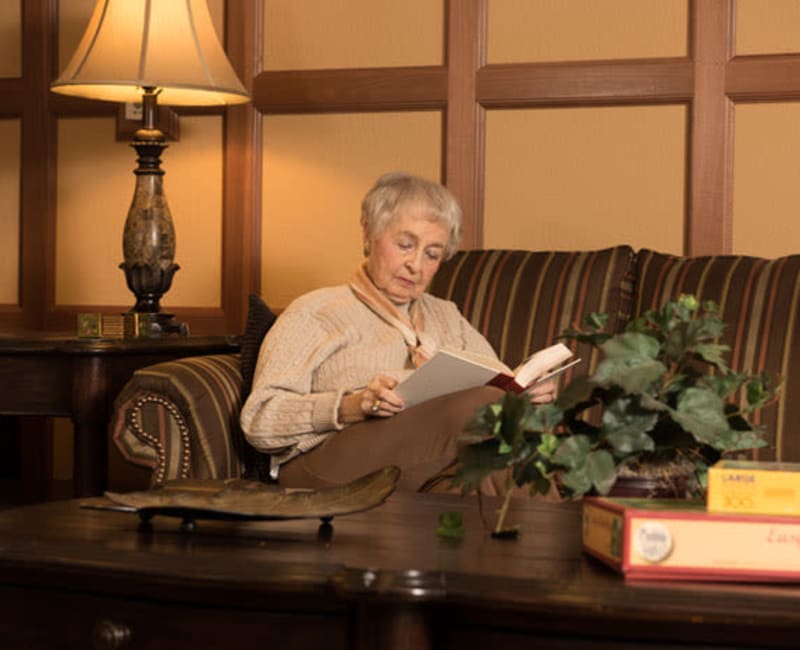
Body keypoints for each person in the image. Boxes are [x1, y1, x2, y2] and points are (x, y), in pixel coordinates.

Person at [240, 171, 556, 494]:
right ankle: (568, 537)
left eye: (432, 254)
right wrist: (352, 405)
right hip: (324, 464)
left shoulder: (447, 316)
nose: (416, 265)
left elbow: (498, 387)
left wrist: (525, 395)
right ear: (368, 235)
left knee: (477, 477)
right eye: (405, 245)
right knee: (486, 408)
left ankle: (547, 541)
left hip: (418, 467)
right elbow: (260, 420)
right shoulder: (317, 311)